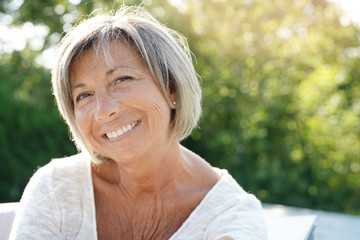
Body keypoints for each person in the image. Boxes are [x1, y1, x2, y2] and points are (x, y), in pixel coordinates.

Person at [10, 6, 267, 240]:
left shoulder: (231, 219)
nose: (103, 111)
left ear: (172, 89)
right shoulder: (56, 188)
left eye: (122, 80)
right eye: (84, 95)